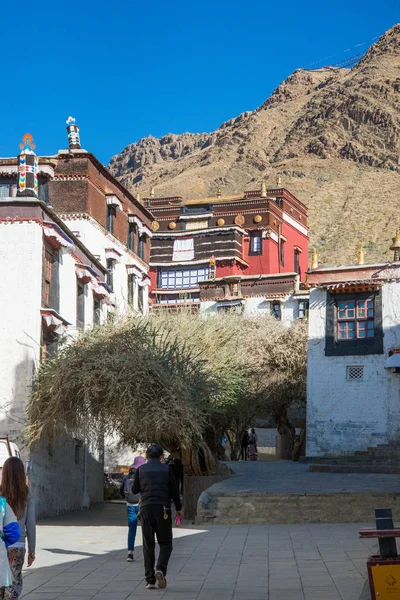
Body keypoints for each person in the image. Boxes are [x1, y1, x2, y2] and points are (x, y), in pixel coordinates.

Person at [132, 444, 182, 590]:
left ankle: (150, 580)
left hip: (146, 509)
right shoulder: (167, 469)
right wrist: (178, 508)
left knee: (148, 545)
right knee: (166, 543)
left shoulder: (141, 470)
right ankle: (160, 568)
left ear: (147, 456)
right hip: (163, 510)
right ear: (161, 456)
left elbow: (135, 489)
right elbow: (174, 490)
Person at [0, 457, 28, 599]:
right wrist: (33, 550)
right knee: (15, 581)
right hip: (18, 544)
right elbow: (30, 524)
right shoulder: (27, 494)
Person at [120, 456, 146, 562]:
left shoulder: (127, 477)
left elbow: (121, 490)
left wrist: (127, 498)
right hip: (142, 505)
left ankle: (130, 553)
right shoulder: (143, 476)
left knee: (132, 529)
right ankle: (146, 552)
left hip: (130, 505)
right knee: (146, 529)